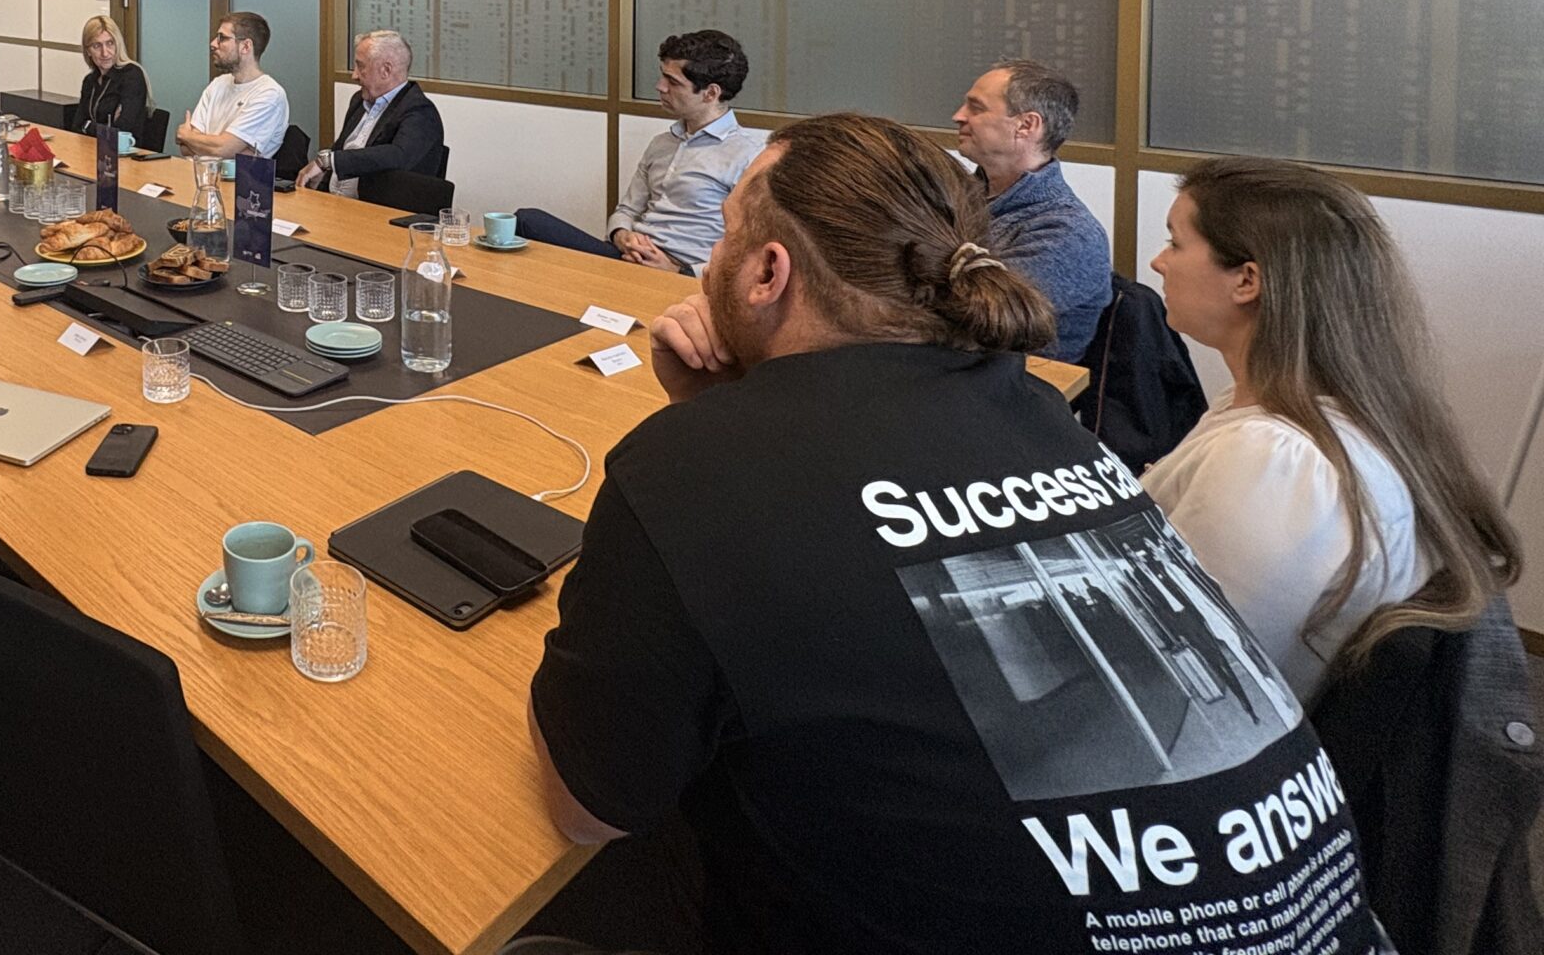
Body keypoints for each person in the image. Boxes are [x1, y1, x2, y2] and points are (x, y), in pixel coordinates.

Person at [519, 113, 1388, 955]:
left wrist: (705, 444)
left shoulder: (692, 468)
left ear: (766, 272)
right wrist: (731, 420)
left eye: (724, 236)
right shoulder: (1041, 415)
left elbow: (589, 809)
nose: (710, 259)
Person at [1142, 157, 1518, 704]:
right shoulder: (1336, 415)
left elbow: (1194, 678)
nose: (1157, 262)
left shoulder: (1274, 460)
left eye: (1175, 243)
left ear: (1247, 280)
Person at [516, 29, 766, 271]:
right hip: (629, 257)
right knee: (526, 221)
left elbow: (753, 249)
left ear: (710, 93)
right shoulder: (662, 143)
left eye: (673, 82)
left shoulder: (749, 156)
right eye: (663, 76)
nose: (660, 87)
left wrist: (680, 271)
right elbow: (627, 210)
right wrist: (621, 235)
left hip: (683, 271)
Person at [952, 59, 1110, 362]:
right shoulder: (957, 195)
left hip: (1011, 381)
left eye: (976, 108)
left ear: (1026, 125)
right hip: (952, 367)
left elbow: (973, 317)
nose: (958, 116)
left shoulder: (1068, 233)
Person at [297, 30, 443, 197]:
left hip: (377, 208)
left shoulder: (420, 111)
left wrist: (329, 161)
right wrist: (319, 184)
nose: (354, 75)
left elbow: (397, 156)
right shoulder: (358, 101)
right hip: (332, 201)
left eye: (361, 66)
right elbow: (340, 148)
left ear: (386, 70)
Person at [175, 11, 290, 163]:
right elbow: (185, 148)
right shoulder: (218, 84)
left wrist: (188, 136)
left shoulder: (270, 93)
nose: (213, 44)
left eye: (222, 38)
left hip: (234, 178)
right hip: (197, 173)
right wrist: (216, 147)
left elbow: (224, 149)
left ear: (245, 46)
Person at [70, 13, 151, 141]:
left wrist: (88, 126)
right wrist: (105, 127)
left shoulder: (132, 75)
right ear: (88, 51)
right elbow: (76, 126)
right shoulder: (90, 81)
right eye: (97, 46)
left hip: (125, 151)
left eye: (110, 43)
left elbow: (122, 131)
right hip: (92, 148)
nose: (105, 53)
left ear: (118, 44)